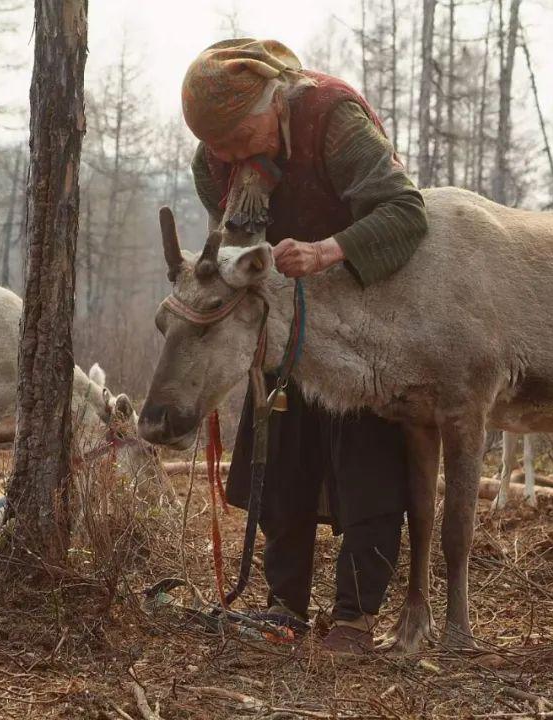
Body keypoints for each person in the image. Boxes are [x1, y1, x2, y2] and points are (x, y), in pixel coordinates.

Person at [181, 38, 428, 654]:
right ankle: (283, 606)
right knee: (279, 460)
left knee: (366, 461)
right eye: (221, 145)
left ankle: (353, 617)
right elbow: (234, 239)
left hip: (361, 313)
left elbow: (405, 213)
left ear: (274, 99)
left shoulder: (332, 118)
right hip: (285, 318)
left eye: (243, 136)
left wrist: (326, 252)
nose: (232, 154)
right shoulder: (212, 161)